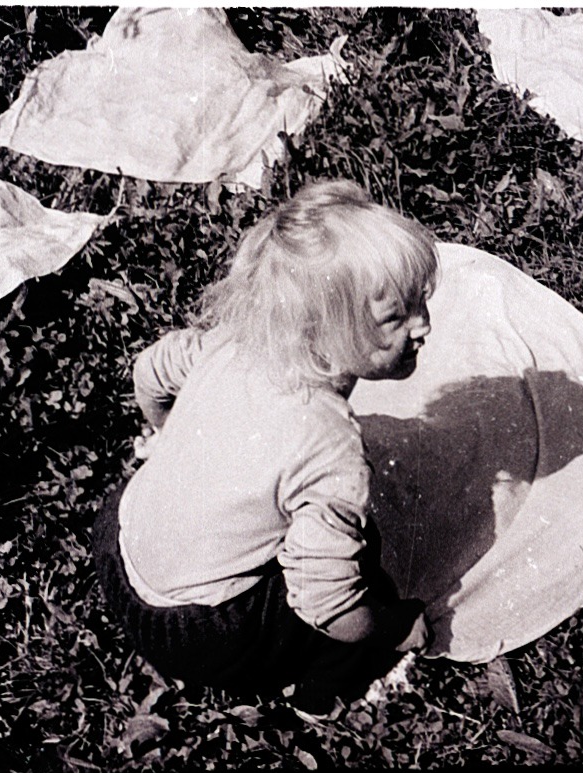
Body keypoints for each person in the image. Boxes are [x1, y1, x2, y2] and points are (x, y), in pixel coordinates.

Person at [92, 178, 436, 701]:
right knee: (362, 567)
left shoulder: (237, 341)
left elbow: (152, 370)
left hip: (116, 550)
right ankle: (322, 694)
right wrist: (390, 627)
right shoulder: (328, 443)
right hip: (199, 633)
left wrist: (163, 432)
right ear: (326, 328)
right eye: (396, 317)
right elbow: (329, 603)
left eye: (420, 304)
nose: (424, 327)